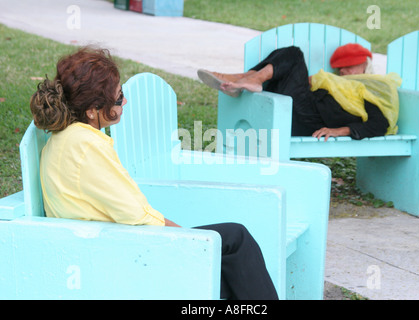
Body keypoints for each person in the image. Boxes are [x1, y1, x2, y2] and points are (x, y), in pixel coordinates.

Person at [29, 46, 278, 300]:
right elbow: (135, 214)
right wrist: (189, 239)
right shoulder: (86, 145)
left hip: (102, 250)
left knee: (230, 274)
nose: (124, 101)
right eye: (118, 98)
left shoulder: (65, 139)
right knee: (236, 239)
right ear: (92, 109)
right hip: (120, 256)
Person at [198, 44, 401, 141]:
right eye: (340, 68)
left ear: (366, 64)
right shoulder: (338, 84)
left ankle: (248, 79)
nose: (343, 72)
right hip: (294, 106)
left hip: (311, 121)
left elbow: (379, 124)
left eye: (349, 67)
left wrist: (339, 131)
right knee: (284, 54)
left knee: (295, 54)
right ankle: (246, 78)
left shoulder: (373, 89)